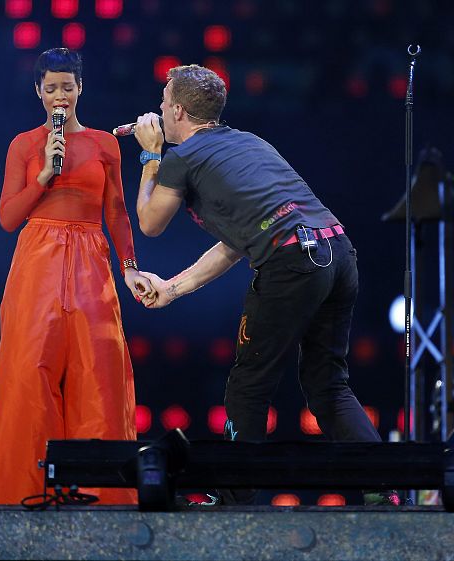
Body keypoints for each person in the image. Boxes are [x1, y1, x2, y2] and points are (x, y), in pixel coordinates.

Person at [132, 64, 397, 505]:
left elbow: (149, 222)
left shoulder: (181, 157)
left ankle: (235, 505)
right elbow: (236, 243)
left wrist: (150, 155)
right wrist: (174, 288)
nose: (158, 110)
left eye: (163, 103)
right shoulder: (247, 142)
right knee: (327, 383)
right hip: (338, 252)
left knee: (248, 384)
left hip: (292, 260)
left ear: (177, 110)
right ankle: (385, 491)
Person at [0, 48, 153, 505]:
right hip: (37, 262)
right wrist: (42, 176)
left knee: (99, 375)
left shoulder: (104, 143)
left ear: (81, 88)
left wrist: (129, 266)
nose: (61, 95)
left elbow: (116, 210)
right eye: (52, 87)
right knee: (28, 375)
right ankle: (22, 496)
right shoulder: (23, 144)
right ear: (38, 91)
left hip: (91, 261)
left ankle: (106, 499)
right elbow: (6, 218)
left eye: (68, 86)